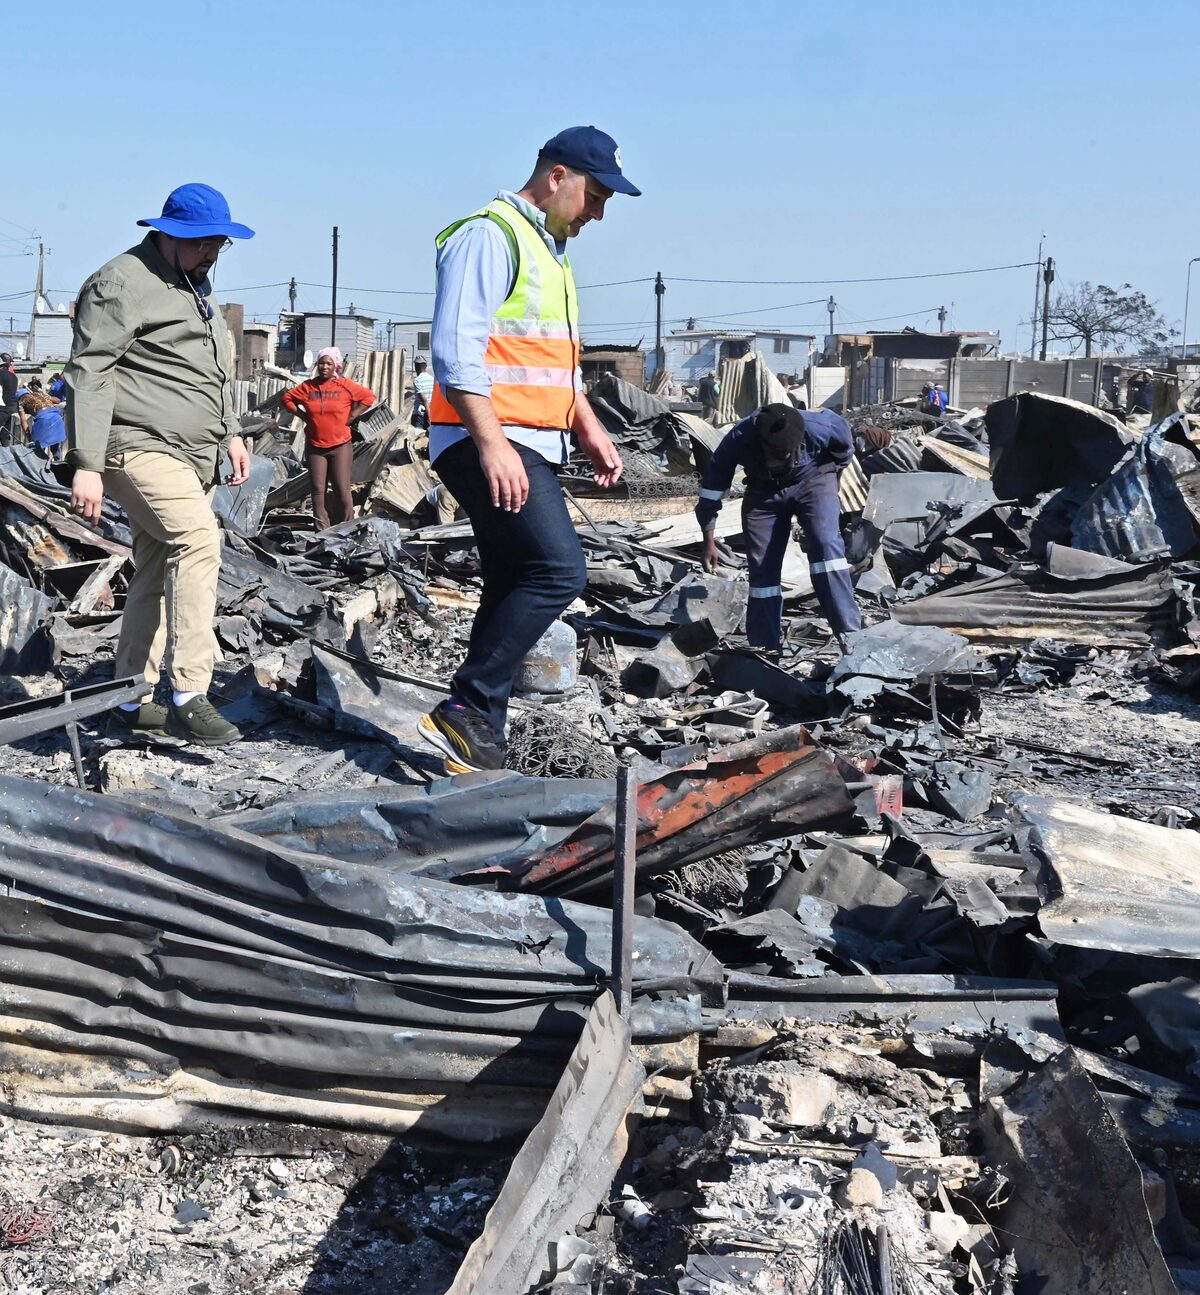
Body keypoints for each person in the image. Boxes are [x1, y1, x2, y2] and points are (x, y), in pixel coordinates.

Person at [418, 125, 637, 774]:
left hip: (524, 437)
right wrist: (491, 445)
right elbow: (455, 352)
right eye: (596, 196)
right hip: (487, 436)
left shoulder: (550, 251)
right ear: (557, 176)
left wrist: (586, 423)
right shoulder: (491, 236)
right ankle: (467, 705)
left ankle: (476, 731)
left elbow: (550, 362)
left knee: (514, 575)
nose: (598, 213)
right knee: (557, 570)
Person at [65, 181, 254, 746]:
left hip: (191, 452)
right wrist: (86, 462)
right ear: (168, 234)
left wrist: (232, 432)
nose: (212, 252)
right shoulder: (120, 284)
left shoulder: (195, 285)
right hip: (136, 445)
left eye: (219, 243)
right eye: (201, 242)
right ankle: (190, 692)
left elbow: (211, 368)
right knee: (197, 539)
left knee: (154, 564)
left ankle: (128, 697)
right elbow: (90, 371)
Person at [696, 403, 861, 654]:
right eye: (775, 452)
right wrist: (708, 540)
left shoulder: (819, 426)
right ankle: (766, 646)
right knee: (762, 565)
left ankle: (851, 637)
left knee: (826, 546)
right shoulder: (739, 438)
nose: (780, 458)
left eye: (786, 453)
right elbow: (711, 489)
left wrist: (834, 481)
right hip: (764, 492)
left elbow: (844, 446)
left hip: (814, 481)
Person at [280, 348, 375, 531]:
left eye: (329, 363)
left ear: (336, 366)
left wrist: (353, 415)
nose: (324, 367)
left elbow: (368, 397)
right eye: (322, 363)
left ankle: (347, 528)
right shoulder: (308, 387)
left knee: (342, 489)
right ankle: (321, 531)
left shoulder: (345, 385)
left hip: (340, 445)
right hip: (315, 446)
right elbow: (287, 399)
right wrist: (303, 416)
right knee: (318, 490)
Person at [18, 383, 66, 461]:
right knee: (55, 445)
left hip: (43, 421)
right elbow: (58, 400)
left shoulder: (21, 403)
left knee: (37, 449)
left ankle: (41, 465)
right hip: (57, 418)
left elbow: (23, 421)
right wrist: (45, 397)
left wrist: (29, 437)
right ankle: (59, 464)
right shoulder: (39, 395)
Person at [410, 354, 434, 430]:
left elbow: (424, 400)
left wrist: (429, 417)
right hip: (431, 412)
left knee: (417, 436)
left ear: (416, 367)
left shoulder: (417, 380)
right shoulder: (432, 379)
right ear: (426, 366)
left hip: (419, 415)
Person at [0, 354, 17, 446]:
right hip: (13, 409)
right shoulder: (14, 376)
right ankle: (6, 452)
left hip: (2, 409)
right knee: (4, 435)